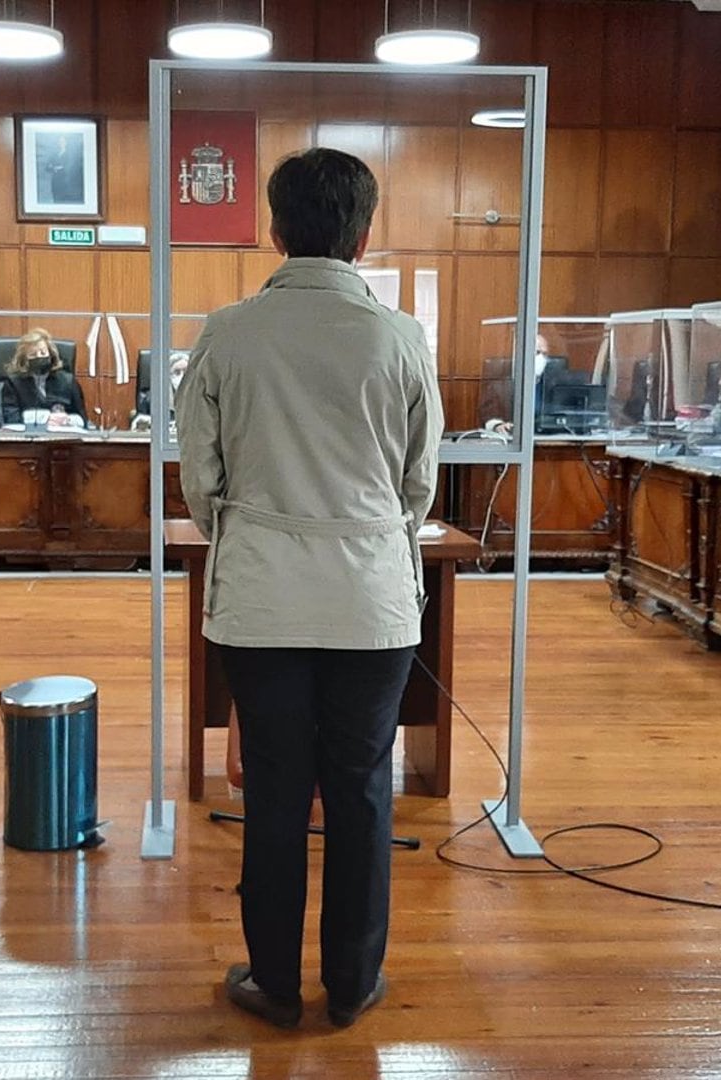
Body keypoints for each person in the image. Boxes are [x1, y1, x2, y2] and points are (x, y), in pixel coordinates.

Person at [177, 147, 442, 1032]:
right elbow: (418, 486)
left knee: (278, 790)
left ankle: (276, 983)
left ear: (275, 229)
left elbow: (200, 484)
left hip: (260, 595)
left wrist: (251, 535)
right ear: (363, 235)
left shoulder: (226, 333)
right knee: (363, 788)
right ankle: (355, 982)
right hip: (372, 599)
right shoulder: (402, 337)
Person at [1, 329, 87, 427]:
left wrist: (66, 420)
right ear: (24, 360)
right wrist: (45, 418)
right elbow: (11, 420)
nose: (39, 357)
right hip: (28, 438)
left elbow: (83, 420)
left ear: (51, 354)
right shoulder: (13, 383)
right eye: (33, 355)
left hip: (62, 438)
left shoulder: (68, 381)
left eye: (43, 353)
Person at [477, 332, 558, 434]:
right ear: (521, 354)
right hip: (513, 440)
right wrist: (498, 425)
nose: (541, 358)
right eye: (537, 352)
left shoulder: (555, 384)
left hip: (548, 440)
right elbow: (488, 414)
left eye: (545, 354)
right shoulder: (499, 387)